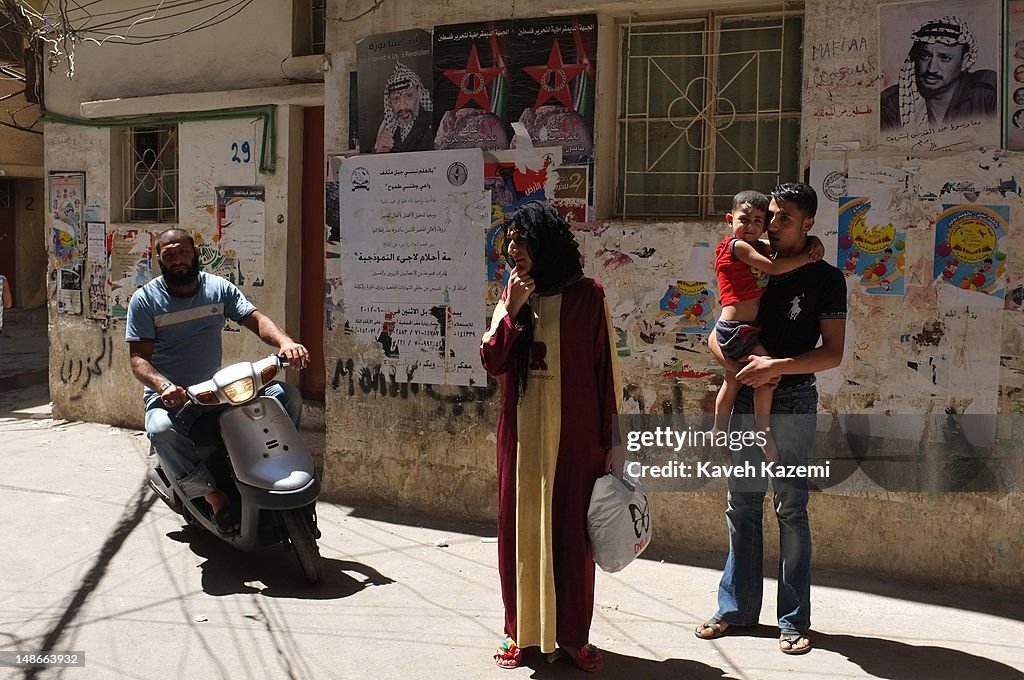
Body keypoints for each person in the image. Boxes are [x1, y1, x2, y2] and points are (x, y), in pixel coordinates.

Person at [696, 183, 847, 656]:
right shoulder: (754, 257)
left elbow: (833, 354)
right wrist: (731, 361)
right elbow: (720, 329)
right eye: (771, 216)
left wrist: (774, 369)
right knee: (741, 505)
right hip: (745, 397)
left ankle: (792, 619)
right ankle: (736, 609)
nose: (772, 225)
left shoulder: (825, 278)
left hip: (795, 401)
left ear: (808, 225)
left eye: (783, 218)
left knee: (791, 510)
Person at [480, 201, 621, 672]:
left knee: (570, 540)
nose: (514, 250)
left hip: (577, 443)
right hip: (521, 438)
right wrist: (514, 307)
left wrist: (613, 442)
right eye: (511, 241)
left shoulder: (588, 296)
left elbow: (606, 375)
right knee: (518, 535)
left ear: (547, 244)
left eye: (523, 240)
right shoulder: (513, 294)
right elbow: (493, 361)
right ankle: (520, 633)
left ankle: (573, 637)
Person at [126, 229, 309, 535]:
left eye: (182, 252)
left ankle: (285, 466)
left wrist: (285, 342)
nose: (177, 260)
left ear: (195, 253)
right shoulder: (145, 300)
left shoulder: (218, 289)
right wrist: (163, 385)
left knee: (286, 397)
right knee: (160, 429)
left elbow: (255, 318)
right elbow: (138, 359)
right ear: (159, 259)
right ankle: (214, 498)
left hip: (216, 391)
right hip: (175, 398)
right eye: (168, 255)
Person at [712, 190, 823, 461]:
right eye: (744, 219)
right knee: (766, 376)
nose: (750, 226)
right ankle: (760, 431)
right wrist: (809, 257)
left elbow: (788, 244)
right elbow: (774, 268)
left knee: (733, 381)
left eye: (758, 221)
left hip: (746, 327)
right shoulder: (736, 246)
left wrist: (815, 240)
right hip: (735, 327)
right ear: (730, 220)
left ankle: (717, 429)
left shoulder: (759, 246)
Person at [880, 15, 996, 132]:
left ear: (964, 61)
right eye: (925, 56)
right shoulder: (891, 104)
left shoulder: (987, 93)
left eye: (944, 58)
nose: (931, 69)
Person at [373, 62, 433, 153]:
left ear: (419, 94)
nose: (402, 106)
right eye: (395, 99)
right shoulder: (387, 129)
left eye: (408, 96)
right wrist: (380, 153)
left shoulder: (433, 124)